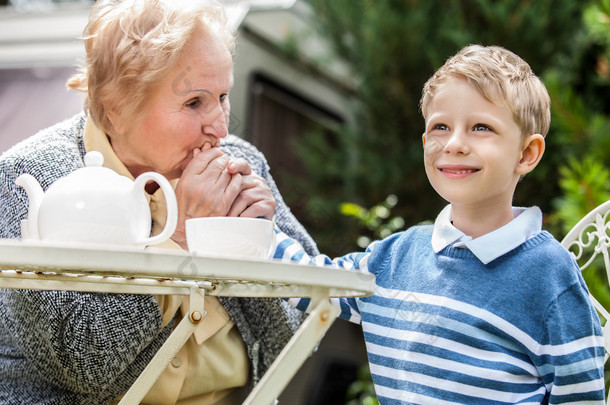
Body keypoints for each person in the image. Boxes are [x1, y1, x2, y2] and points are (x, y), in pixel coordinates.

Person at [0, 0, 318, 403]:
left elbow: (305, 332)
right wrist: (180, 236)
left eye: (223, 96)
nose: (220, 127)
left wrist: (258, 245)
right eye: (194, 102)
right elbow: (83, 366)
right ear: (115, 110)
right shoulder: (29, 179)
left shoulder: (243, 163)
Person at [274, 45, 606, 404]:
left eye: (481, 127)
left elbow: (580, 398)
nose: (454, 143)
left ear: (526, 154)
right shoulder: (394, 257)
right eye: (440, 127)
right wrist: (251, 220)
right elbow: (308, 281)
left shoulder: (550, 276)